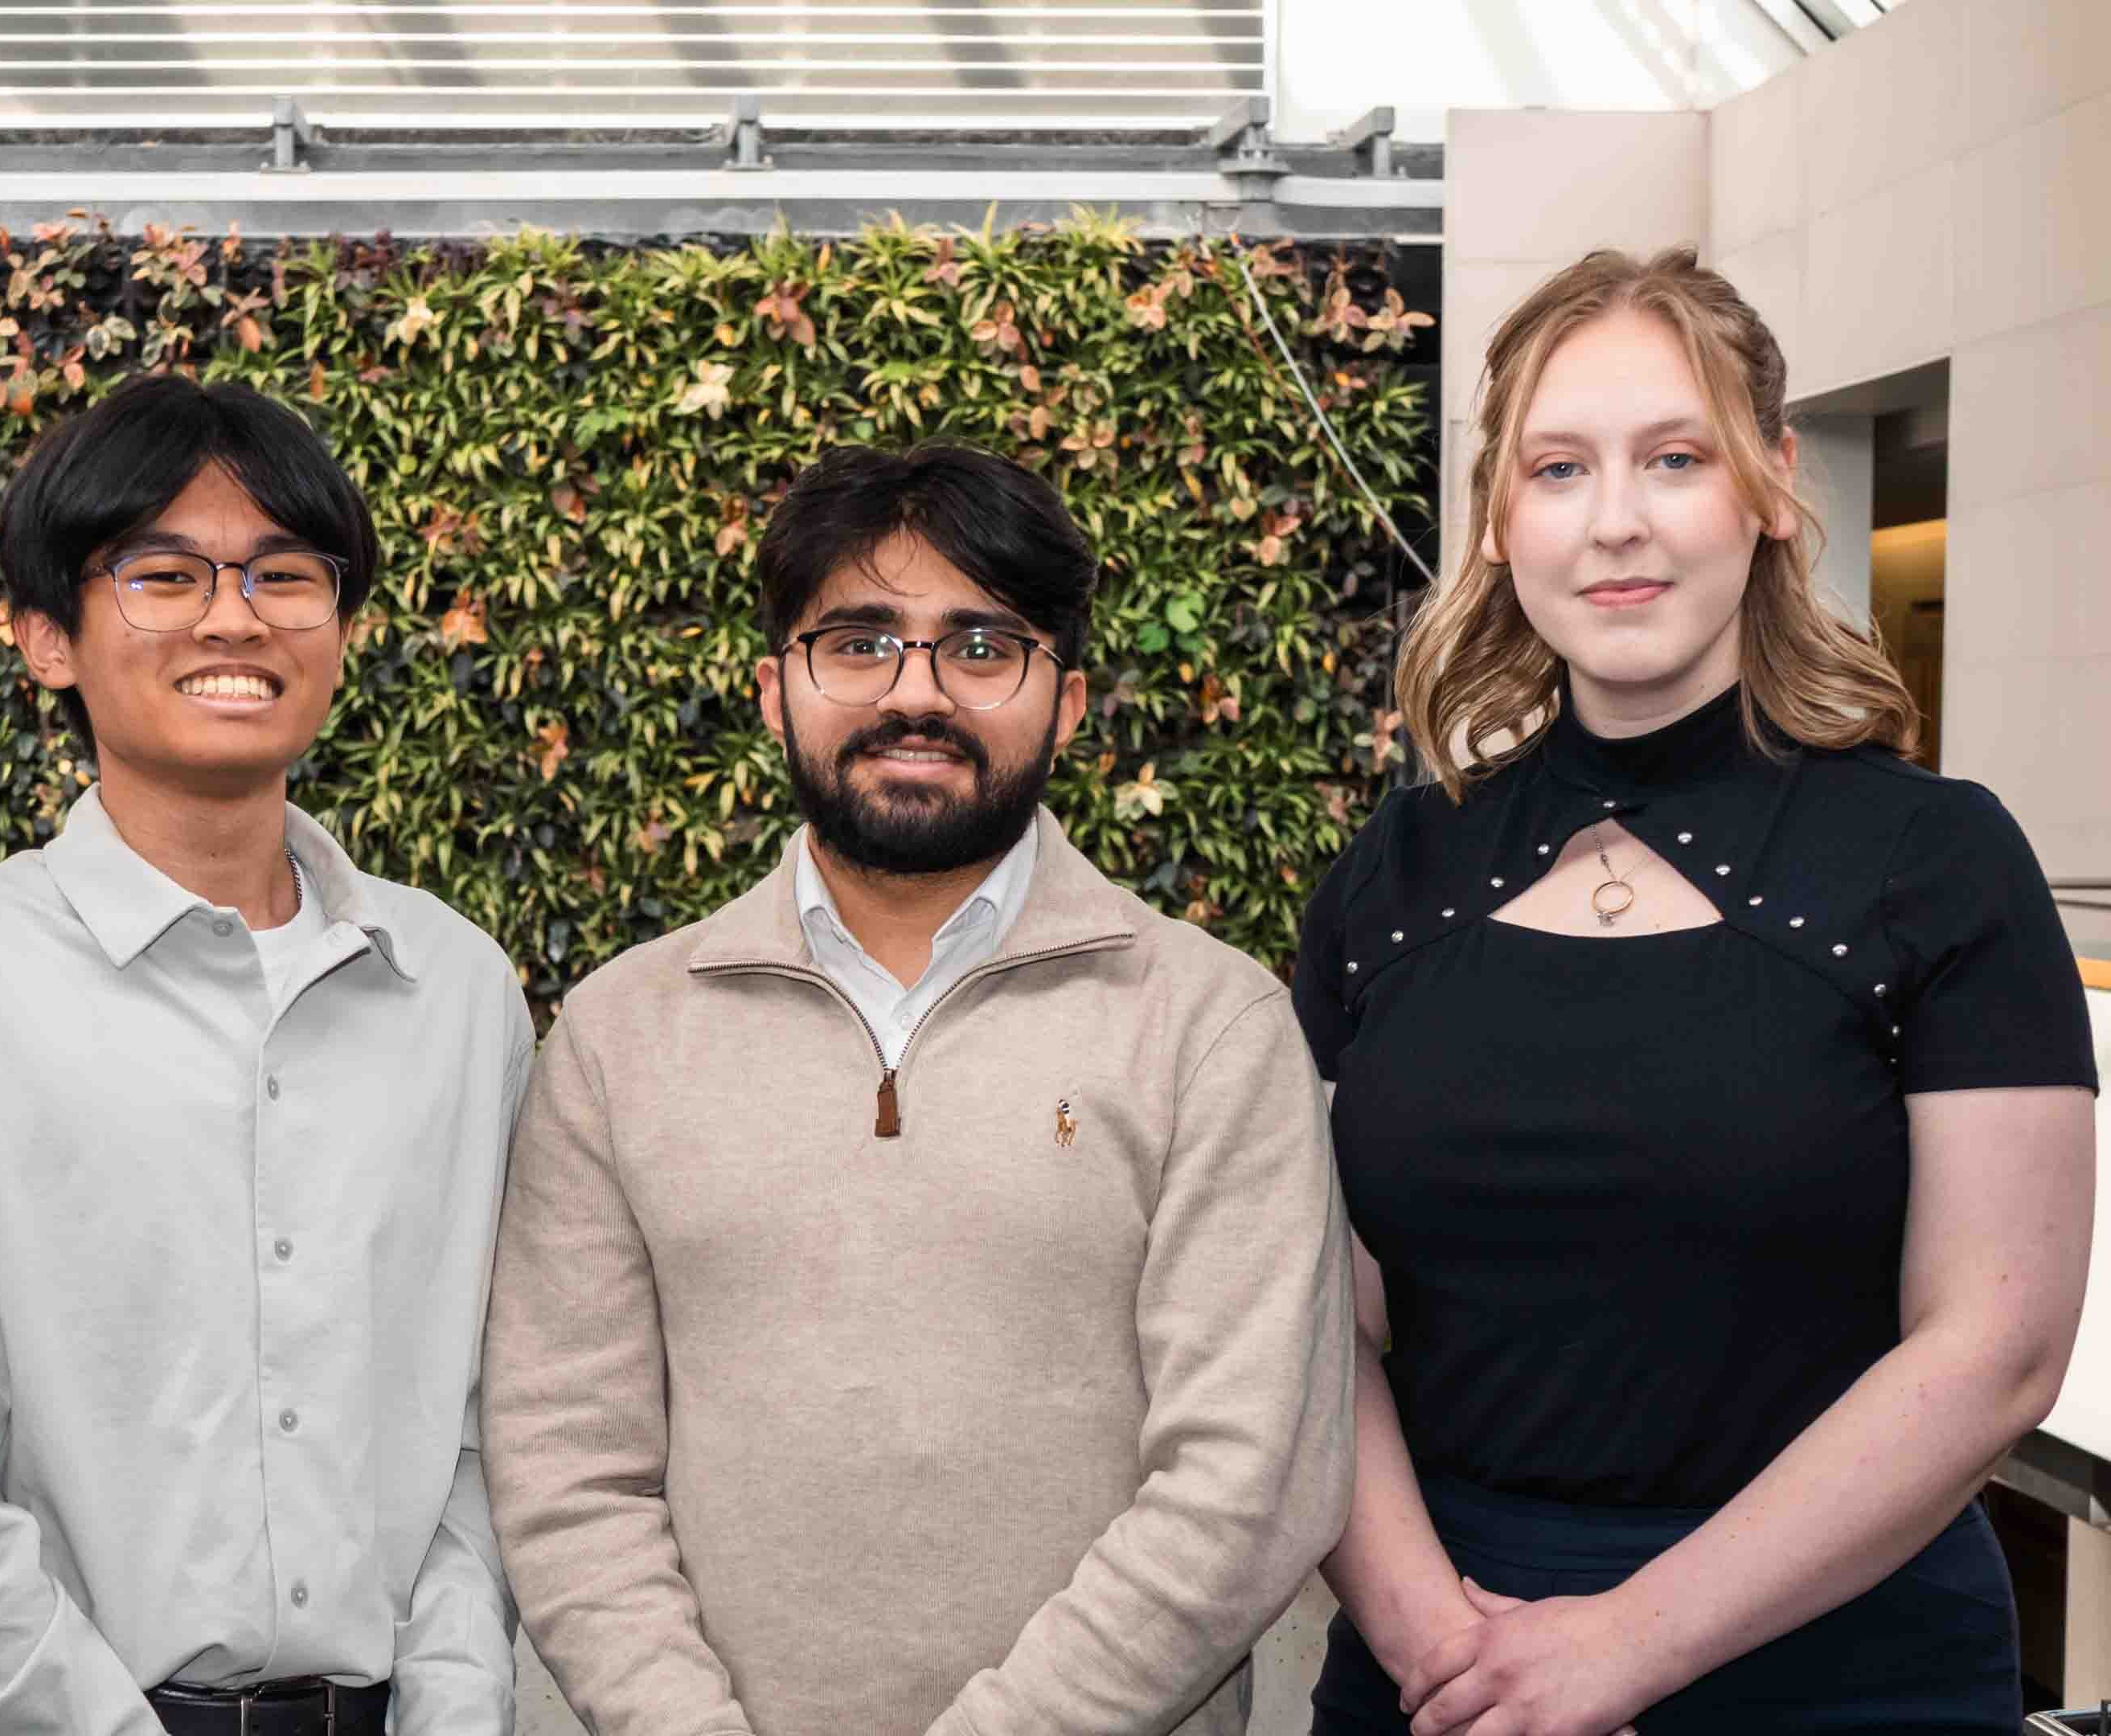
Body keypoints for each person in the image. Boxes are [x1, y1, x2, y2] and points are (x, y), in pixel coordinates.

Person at [1300, 247, 2098, 1735]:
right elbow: (1308, 1324)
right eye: (1558, 467)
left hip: (1847, 1668)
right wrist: (1433, 1642)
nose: (1617, 521)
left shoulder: (1940, 861)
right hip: (1449, 1671)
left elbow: (1998, 1348)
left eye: (1674, 457)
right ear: (1499, 515)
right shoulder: (1392, 876)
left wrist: (1625, 1649)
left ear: (1771, 484)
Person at [483, 442, 1355, 1736]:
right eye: (859, 642)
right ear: (776, 690)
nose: (919, 693)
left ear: (1067, 700)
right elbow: (568, 1468)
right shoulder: (621, 1036)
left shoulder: (1211, 1026)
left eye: (983, 647)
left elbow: (1248, 1483)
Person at [0, 375, 531, 1736]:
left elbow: (480, 1433)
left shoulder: (461, 993)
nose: (235, 617)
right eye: (163, 573)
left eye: (286, 574)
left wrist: (458, 1710)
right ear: (46, 637)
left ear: (342, 628)